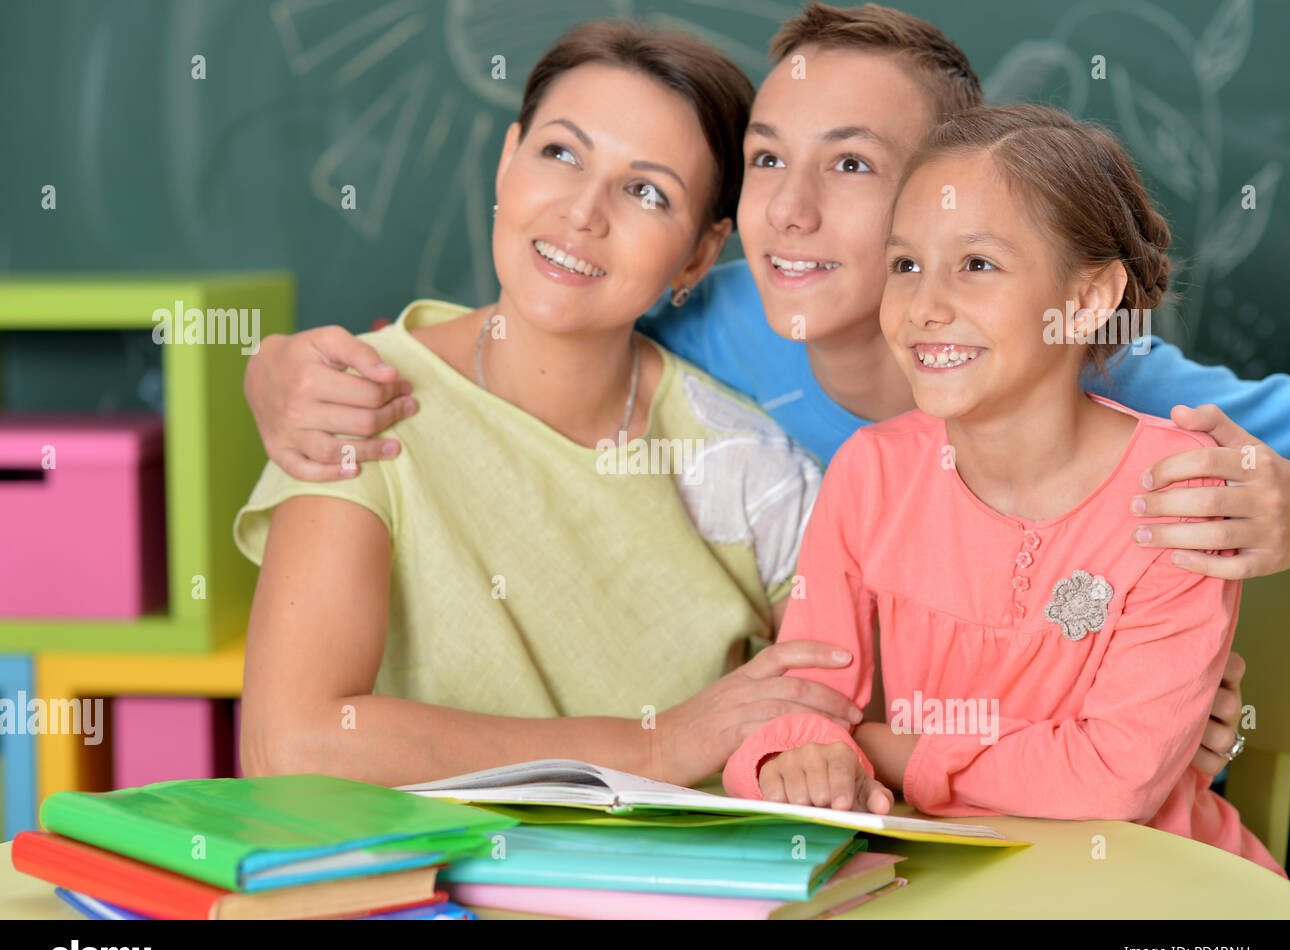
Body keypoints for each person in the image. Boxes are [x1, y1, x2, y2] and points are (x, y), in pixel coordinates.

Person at [240, 3, 1290, 781]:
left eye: (849, 167)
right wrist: (274, 366)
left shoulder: (1101, 374)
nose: (788, 210)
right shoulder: (698, 333)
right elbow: (536, 330)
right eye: (766, 160)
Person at [234, 21, 854, 790]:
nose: (583, 213)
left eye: (646, 192)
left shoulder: (750, 466)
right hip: (427, 898)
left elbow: (824, 716)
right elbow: (291, 745)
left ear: (698, 253)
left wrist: (805, 757)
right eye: (560, 154)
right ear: (507, 160)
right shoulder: (356, 402)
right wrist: (652, 750)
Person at [722, 104, 1285, 878]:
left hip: (1155, 886)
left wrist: (885, 750)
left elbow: (1113, 779)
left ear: (1087, 300)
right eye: (906, 265)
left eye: (977, 264)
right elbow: (800, 704)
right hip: (948, 878)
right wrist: (802, 757)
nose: (924, 307)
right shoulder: (872, 473)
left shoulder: (1178, 493)